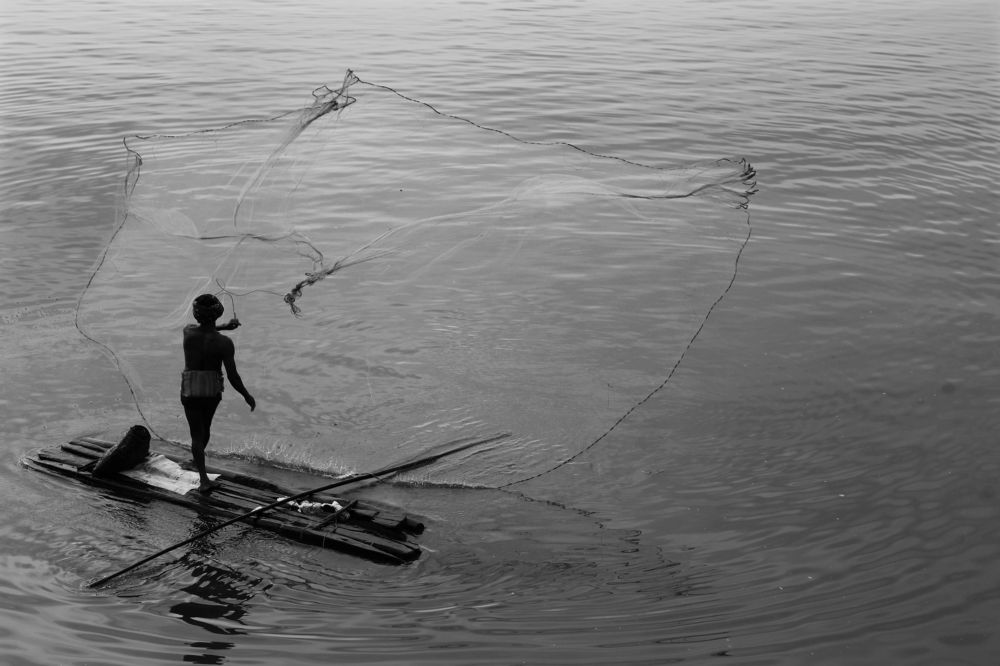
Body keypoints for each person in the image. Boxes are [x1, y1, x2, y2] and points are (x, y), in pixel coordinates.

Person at [181, 294, 256, 493]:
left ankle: (199, 467)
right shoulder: (224, 343)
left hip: (190, 387)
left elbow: (203, 329)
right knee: (204, 430)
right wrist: (246, 395)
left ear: (197, 314)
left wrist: (223, 326)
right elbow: (233, 376)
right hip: (211, 389)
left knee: (196, 434)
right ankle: (203, 479)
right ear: (218, 313)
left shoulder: (188, 332)